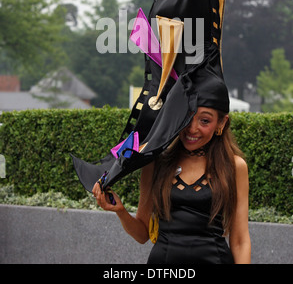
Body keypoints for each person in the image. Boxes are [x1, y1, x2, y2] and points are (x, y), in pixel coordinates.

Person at [92, 106, 251, 264]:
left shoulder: (234, 166)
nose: (192, 128)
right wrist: (120, 211)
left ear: (221, 122)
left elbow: (240, 241)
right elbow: (142, 235)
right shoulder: (156, 162)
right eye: (186, 118)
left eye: (204, 120)